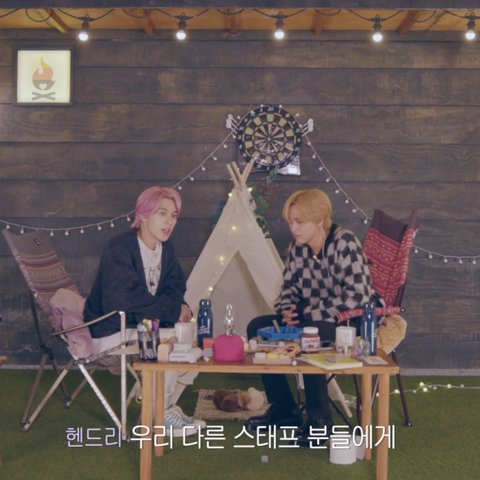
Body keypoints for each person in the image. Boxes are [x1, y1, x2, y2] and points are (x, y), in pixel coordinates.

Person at [245, 189, 382, 447]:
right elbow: (289, 288)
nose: (293, 228)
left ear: (320, 220)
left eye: (299, 222)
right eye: (290, 221)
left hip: (351, 323)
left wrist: (307, 313)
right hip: (310, 319)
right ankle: (285, 409)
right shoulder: (298, 249)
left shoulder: (346, 244)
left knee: (311, 333)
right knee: (258, 328)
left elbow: (358, 298)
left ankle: (320, 422)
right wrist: (287, 310)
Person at [84, 186, 205, 436]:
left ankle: (158, 409)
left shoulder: (165, 248)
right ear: (144, 214)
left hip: (145, 326)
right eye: (162, 213)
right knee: (169, 344)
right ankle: (159, 415)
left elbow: (175, 285)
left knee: (193, 345)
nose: (169, 221)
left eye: (174, 215)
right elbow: (122, 301)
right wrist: (171, 311)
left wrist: (178, 308)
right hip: (113, 328)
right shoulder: (120, 248)